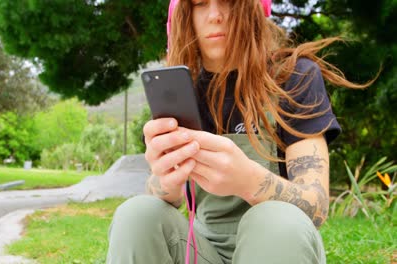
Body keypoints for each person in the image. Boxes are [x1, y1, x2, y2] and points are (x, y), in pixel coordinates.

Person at [107, 0, 371, 263]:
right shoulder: (180, 92)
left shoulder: (294, 77)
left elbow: (317, 207)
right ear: (183, 15)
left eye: (228, 1)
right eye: (200, 4)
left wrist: (248, 181)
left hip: (280, 247)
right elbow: (159, 199)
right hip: (203, 251)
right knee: (137, 214)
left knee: (273, 221)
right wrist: (166, 182)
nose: (215, 15)